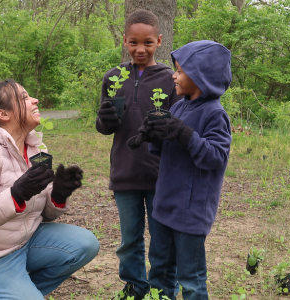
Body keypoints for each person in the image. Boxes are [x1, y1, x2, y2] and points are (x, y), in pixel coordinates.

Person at [0, 79, 100, 300]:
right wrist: (16, 194)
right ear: (3, 114)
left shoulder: (36, 148)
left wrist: (59, 194)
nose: (35, 100)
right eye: (24, 98)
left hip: (22, 241)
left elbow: (43, 214)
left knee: (85, 244)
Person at [129, 40, 232, 300]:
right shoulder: (177, 107)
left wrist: (185, 135)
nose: (174, 76)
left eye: (180, 71)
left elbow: (216, 157)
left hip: (191, 211)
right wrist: (153, 135)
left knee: (191, 278)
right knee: (160, 271)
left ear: (200, 76)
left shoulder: (215, 114)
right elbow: (166, 149)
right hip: (165, 205)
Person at [94, 9, 178, 300]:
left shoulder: (170, 79)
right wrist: (105, 119)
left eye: (147, 43)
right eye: (133, 42)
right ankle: (135, 288)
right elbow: (103, 127)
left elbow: (179, 127)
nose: (140, 49)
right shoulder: (113, 78)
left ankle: (162, 290)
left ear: (159, 41)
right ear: (125, 41)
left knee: (162, 239)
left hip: (160, 175)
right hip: (124, 172)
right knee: (130, 239)